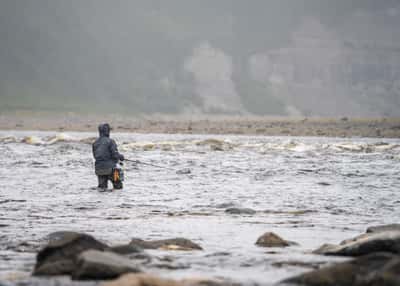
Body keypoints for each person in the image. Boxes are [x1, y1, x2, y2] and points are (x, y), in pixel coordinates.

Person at [92, 123, 124, 190]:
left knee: (102, 188)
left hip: (99, 169)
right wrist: (121, 157)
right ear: (107, 131)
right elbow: (115, 155)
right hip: (112, 170)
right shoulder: (111, 141)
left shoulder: (95, 143)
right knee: (118, 186)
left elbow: (95, 156)